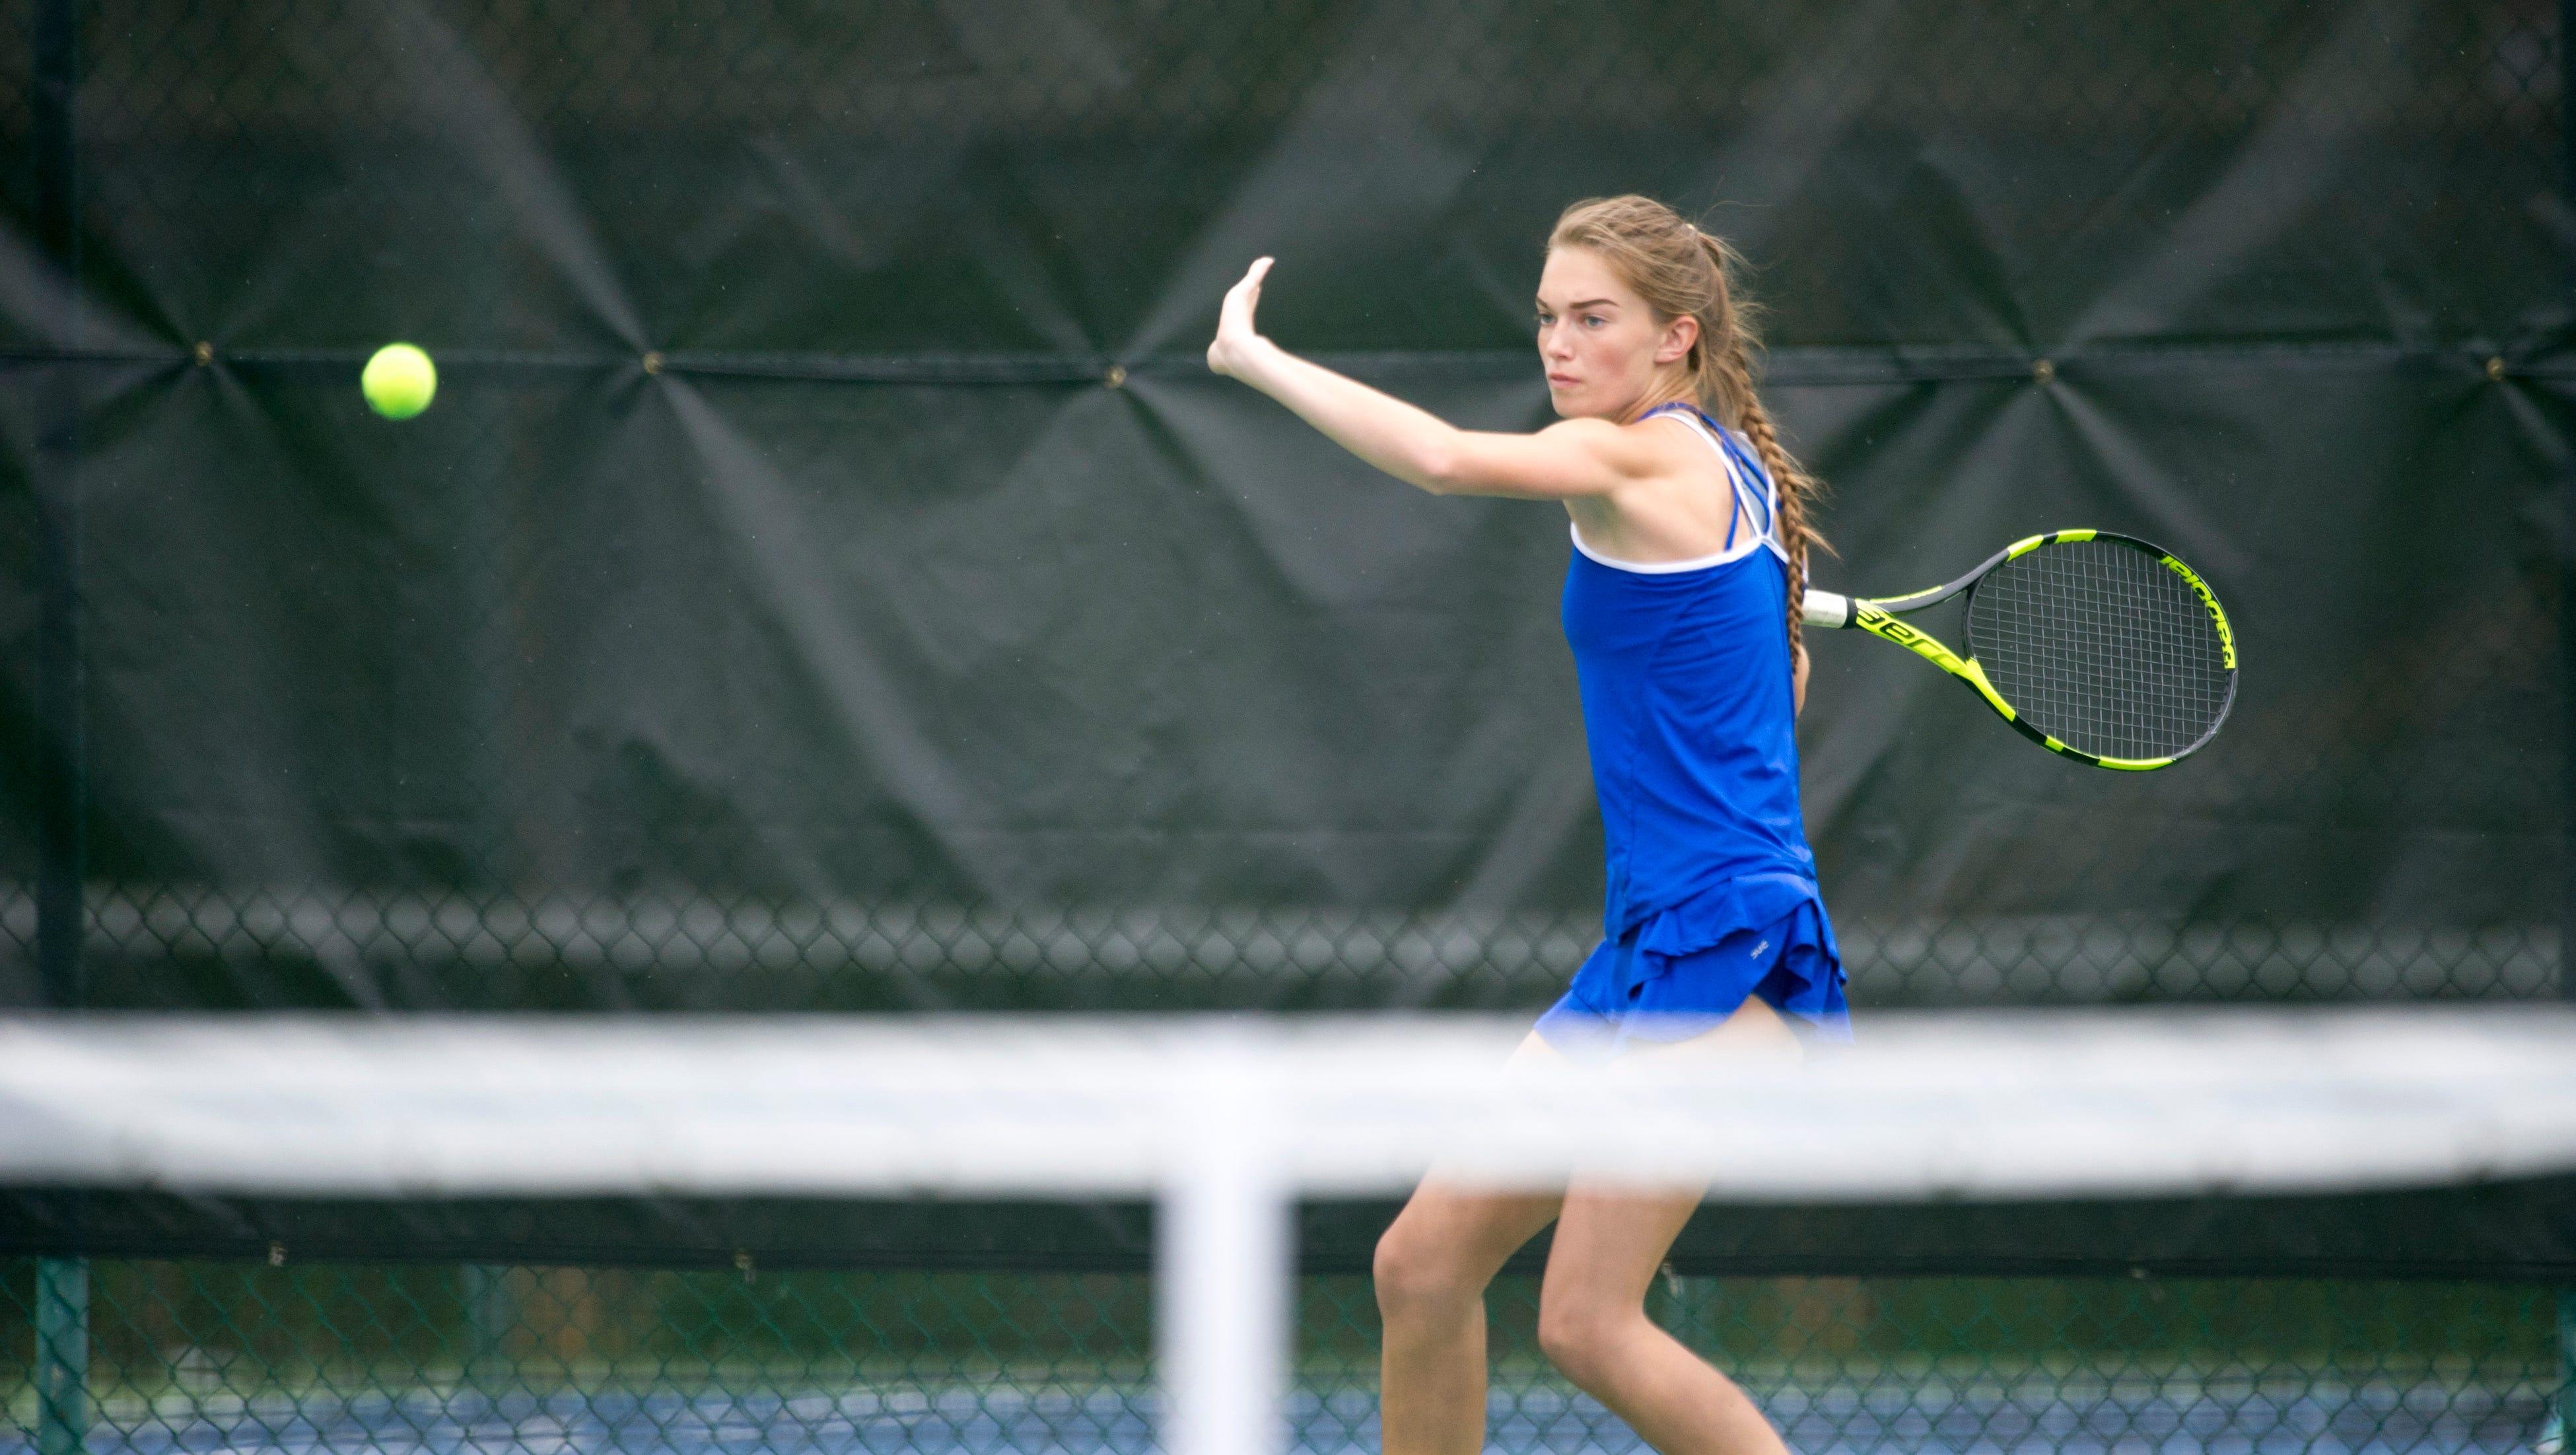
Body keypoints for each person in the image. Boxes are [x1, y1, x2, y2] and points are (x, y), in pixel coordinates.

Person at [1206, 193, 1848, 1455]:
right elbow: (1749, 694)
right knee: (1421, 1265)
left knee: (1587, 1323)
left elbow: (1445, 458)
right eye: (1547, 317)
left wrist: (1254, 359)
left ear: (1674, 338)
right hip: (1647, 947)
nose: (1558, 344)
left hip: (1730, 952)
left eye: (1593, 319)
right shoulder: (1719, 473)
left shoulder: (1646, 457)